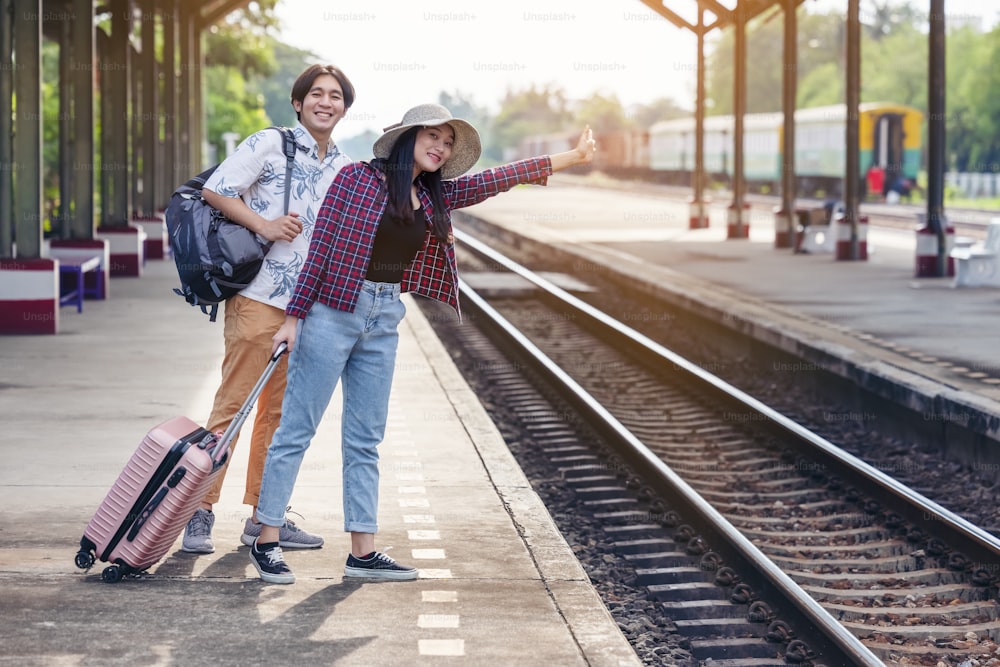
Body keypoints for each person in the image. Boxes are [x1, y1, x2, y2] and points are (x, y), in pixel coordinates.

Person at [247, 103, 597, 584]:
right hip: (332, 311)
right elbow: (321, 248)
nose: (441, 146)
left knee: (365, 438)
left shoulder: (433, 196)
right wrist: (294, 318)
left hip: (384, 316)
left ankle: (362, 554)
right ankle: (266, 541)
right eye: (433, 135)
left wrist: (572, 157)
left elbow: (499, 177)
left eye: (448, 141)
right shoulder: (355, 181)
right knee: (296, 429)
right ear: (407, 138)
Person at [181, 64, 356, 554]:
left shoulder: (344, 166)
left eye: (336, 96)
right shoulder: (270, 143)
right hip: (258, 297)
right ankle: (199, 509)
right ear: (298, 103)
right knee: (233, 405)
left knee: (278, 416)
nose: (326, 101)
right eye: (316, 94)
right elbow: (215, 189)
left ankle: (263, 517)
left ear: (344, 108)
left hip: (306, 310)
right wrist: (264, 225)